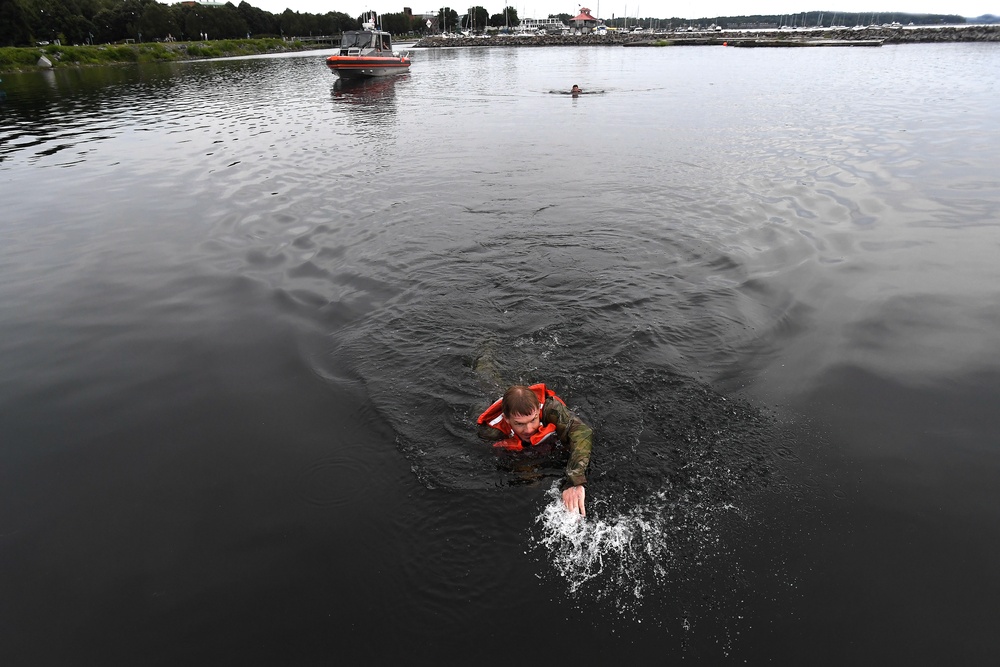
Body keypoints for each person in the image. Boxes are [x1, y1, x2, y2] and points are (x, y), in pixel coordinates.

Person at [477, 384, 593, 516]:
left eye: (533, 420)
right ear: (507, 419)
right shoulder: (491, 432)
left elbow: (582, 433)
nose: (529, 429)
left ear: (539, 410)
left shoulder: (551, 408)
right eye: (519, 424)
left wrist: (574, 481)